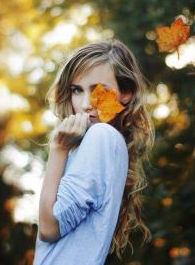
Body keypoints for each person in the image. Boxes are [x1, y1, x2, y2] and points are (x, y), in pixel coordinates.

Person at [33, 40, 154, 264]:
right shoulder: (99, 144)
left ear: (125, 93)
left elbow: (49, 229)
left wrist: (58, 149)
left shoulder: (102, 137)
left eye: (99, 91)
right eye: (77, 90)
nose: (86, 104)